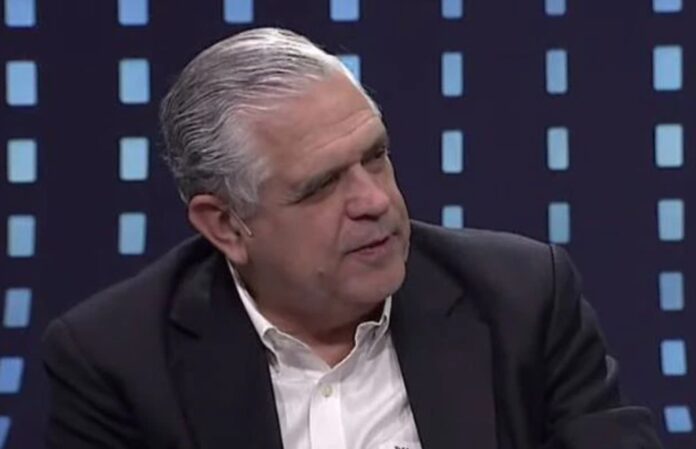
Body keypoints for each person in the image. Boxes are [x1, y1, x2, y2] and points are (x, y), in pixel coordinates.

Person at [42, 27, 663, 449]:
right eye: (320, 186)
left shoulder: (521, 299)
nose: (374, 202)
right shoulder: (117, 360)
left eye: (375, 157)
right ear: (226, 225)